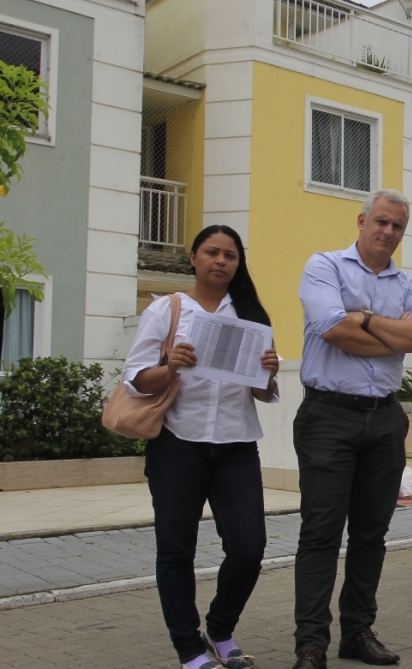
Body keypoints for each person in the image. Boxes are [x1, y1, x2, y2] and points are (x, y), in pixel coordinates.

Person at [122, 225, 278, 669]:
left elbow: (263, 392)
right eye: (212, 252)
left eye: (230, 254)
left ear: (238, 263)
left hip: (235, 444)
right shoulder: (168, 309)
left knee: (248, 547)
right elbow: (135, 379)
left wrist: (268, 373)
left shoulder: (250, 315)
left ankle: (220, 629)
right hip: (177, 444)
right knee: (176, 550)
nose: (221, 260)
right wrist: (170, 367)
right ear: (193, 258)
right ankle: (189, 648)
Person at [292, 189, 412, 669]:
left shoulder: (409, 284)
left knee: (371, 534)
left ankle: (357, 632)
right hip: (328, 416)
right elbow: (333, 329)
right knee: (321, 533)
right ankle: (311, 643)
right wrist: (394, 336)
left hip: (385, 418)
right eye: (381, 222)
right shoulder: (324, 266)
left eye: (397, 226)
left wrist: (367, 319)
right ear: (362, 221)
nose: (388, 232)